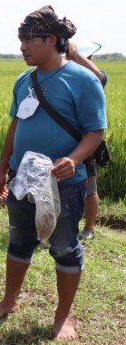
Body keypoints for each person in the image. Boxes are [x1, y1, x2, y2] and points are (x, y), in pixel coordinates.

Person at [0, 6, 106, 341]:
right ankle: (9, 301)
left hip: (64, 183)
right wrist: (2, 169)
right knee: (19, 240)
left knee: (65, 247)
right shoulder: (24, 79)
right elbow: (15, 126)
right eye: (19, 39)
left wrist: (74, 160)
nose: (21, 46)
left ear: (51, 39)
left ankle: (62, 317)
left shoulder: (83, 80)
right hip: (23, 180)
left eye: (27, 40)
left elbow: (96, 132)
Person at [65, 42, 107, 241]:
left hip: (86, 144)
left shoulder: (92, 79)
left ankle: (89, 228)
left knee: (90, 188)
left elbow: (99, 76)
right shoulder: (68, 76)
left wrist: (75, 55)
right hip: (65, 143)